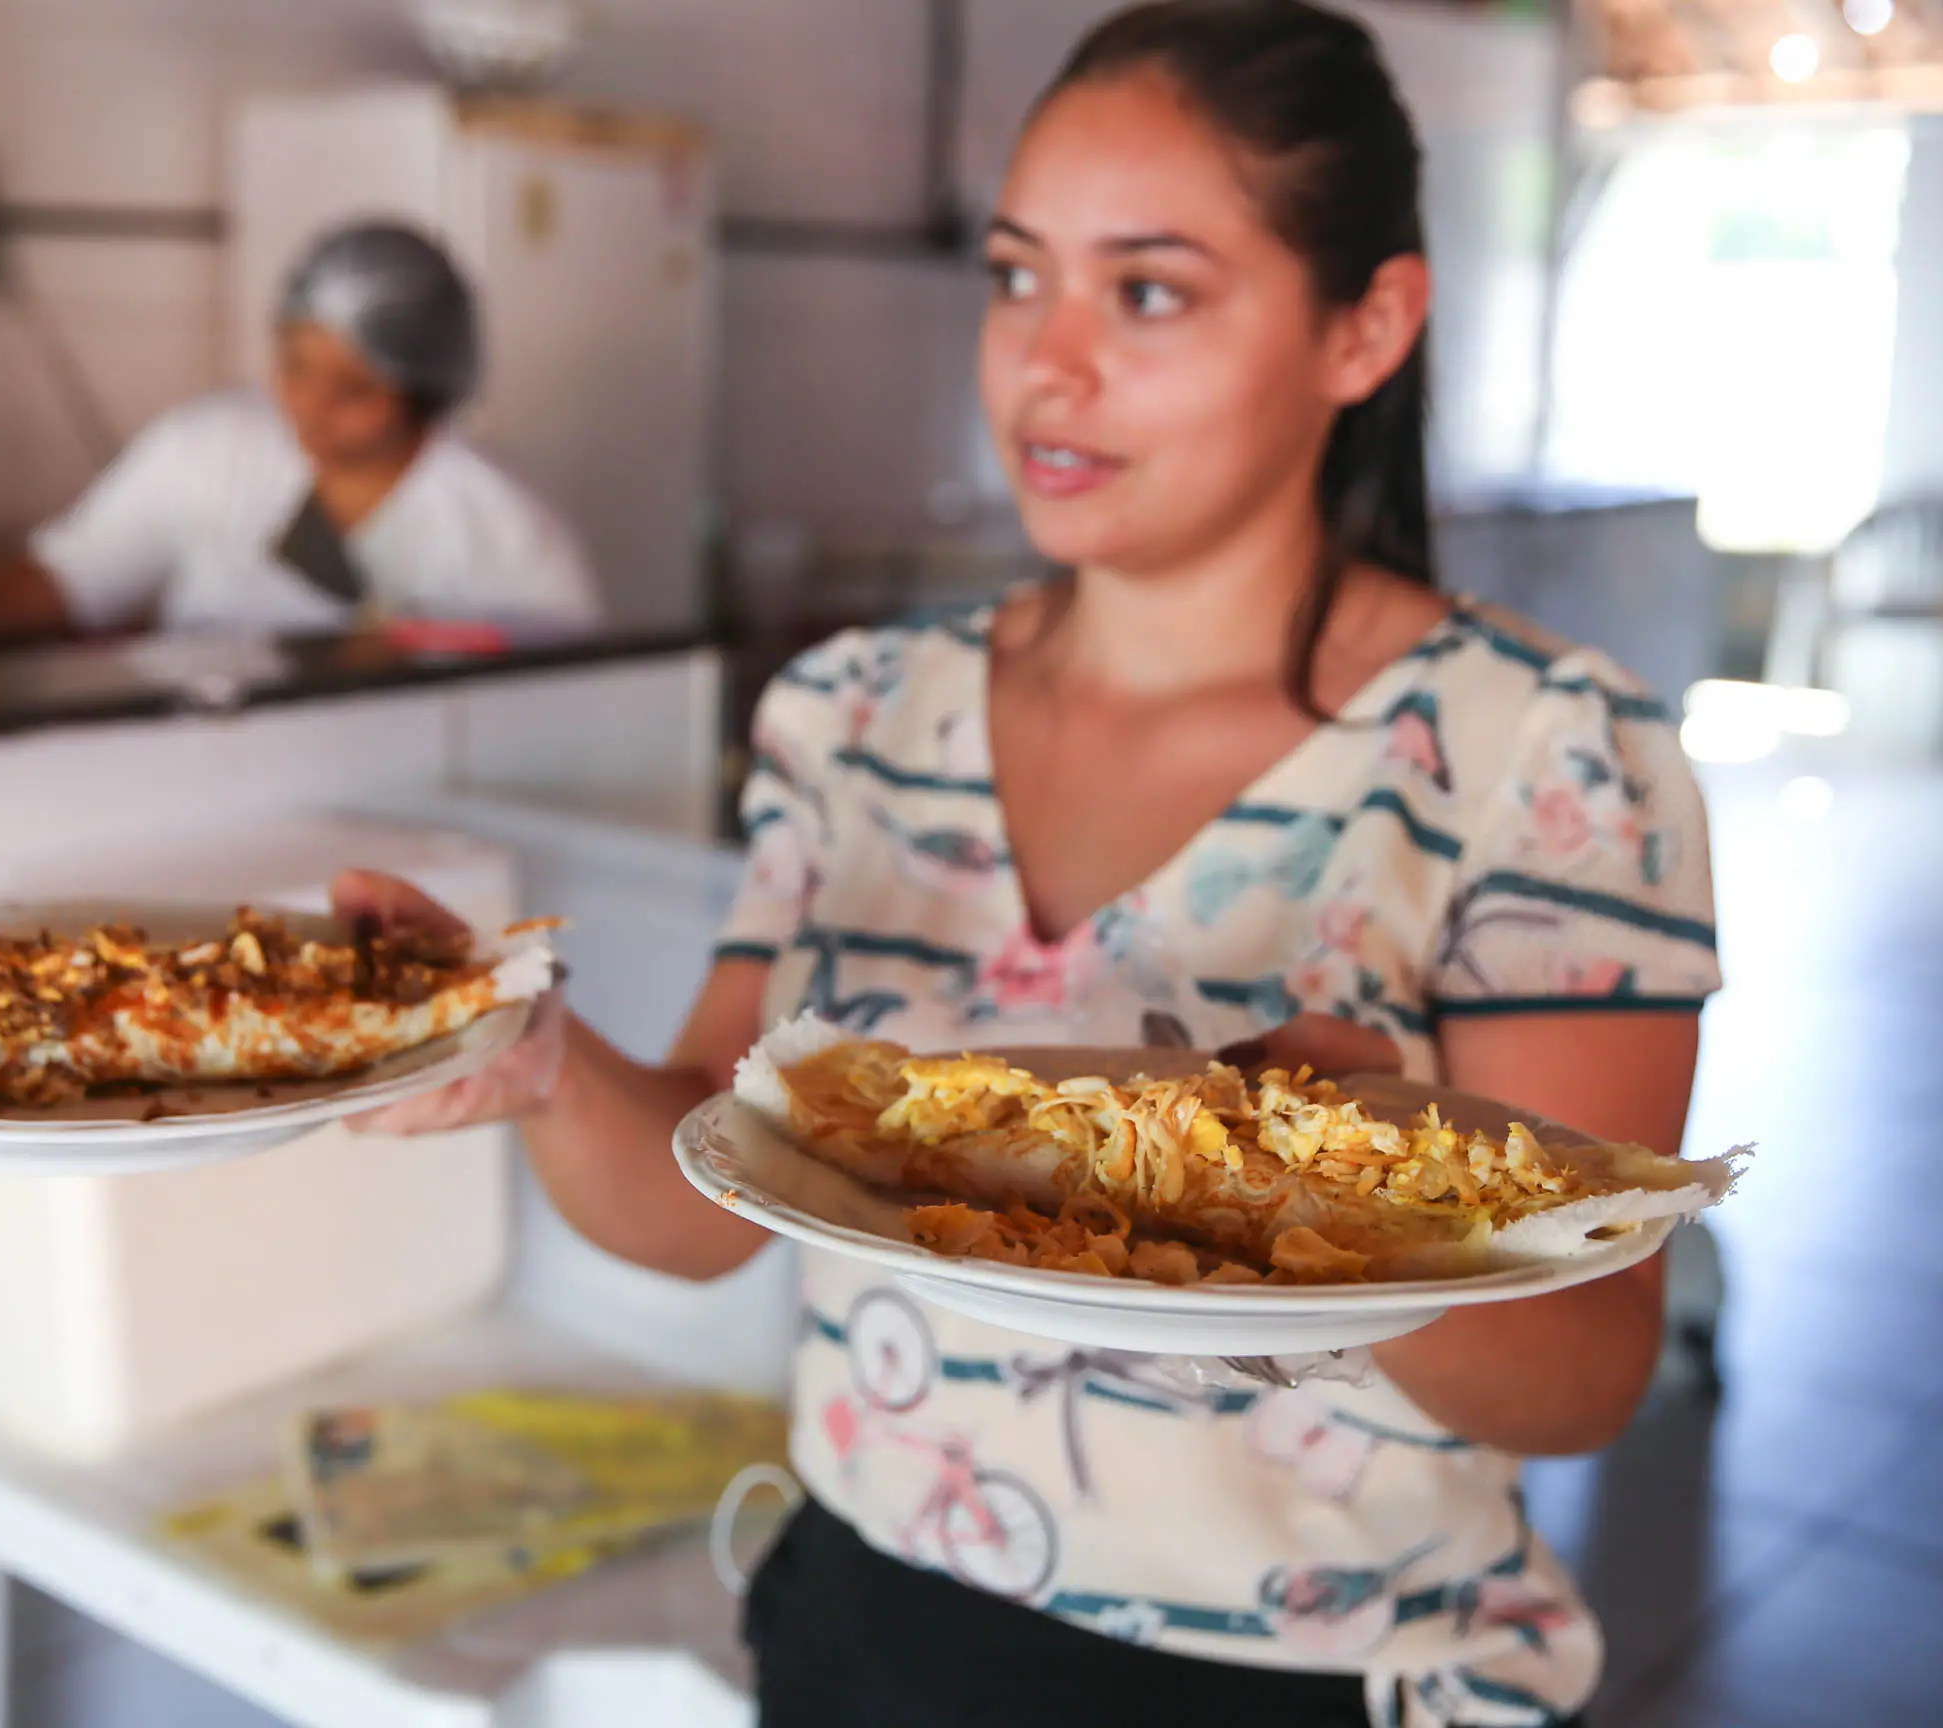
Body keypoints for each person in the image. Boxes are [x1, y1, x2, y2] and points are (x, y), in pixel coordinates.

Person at [338, 5, 1722, 1723]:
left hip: (1286, 1679)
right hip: (867, 1627)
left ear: (1363, 326)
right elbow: (710, 1182)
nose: (1043, 364)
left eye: (1145, 291)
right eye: (1013, 278)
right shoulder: (854, 711)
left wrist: (1325, 1202)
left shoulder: (1545, 753)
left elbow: (1589, 1361)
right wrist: (534, 1057)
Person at [25, 222, 603, 635]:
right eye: (294, 365)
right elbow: (70, 582)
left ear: (423, 394)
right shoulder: (209, 450)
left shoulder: (507, 531)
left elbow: (562, 702)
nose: (309, 404)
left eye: (353, 390)